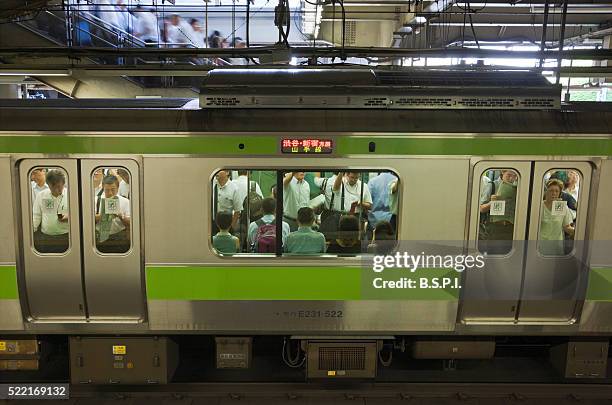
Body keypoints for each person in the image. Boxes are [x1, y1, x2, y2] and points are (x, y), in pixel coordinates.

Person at [479, 170, 517, 253]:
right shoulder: (492, 185)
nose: (511, 178)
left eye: (514, 176)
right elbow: (481, 208)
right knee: (493, 257)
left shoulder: (517, 187)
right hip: (495, 228)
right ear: (503, 172)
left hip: (511, 228)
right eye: (509, 175)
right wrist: (491, 203)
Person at [32, 170, 69, 253]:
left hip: (66, 236)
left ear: (63, 184)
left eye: (59, 186)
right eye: (53, 187)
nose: (57, 190)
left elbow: (79, 215)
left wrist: (69, 217)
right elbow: (36, 216)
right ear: (48, 185)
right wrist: (30, 233)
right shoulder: (41, 195)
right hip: (46, 237)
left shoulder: (70, 194)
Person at [95, 175, 131, 253]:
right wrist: (103, 216)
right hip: (100, 237)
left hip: (120, 237)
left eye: (113, 189)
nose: (110, 193)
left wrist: (120, 216)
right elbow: (88, 220)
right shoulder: (96, 200)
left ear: (118, 188)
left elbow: (131, 223)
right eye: (107, 190)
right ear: (103, 189)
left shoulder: (125, 202)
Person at [539, 179, 575, 256]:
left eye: (556, 191)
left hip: (556, 247)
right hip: (541, 246)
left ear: (560, 193)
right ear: (546, 192)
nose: (554, 193)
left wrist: (578, 233)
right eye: (551, 191)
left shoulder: (562, 206)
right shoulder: (539, 206)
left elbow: (567, 227)